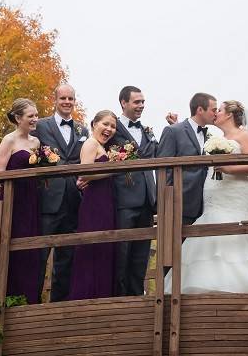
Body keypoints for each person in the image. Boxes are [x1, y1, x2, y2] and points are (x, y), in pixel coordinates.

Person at [164, 101, 248, 293]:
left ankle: (239, 286)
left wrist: (229, 168)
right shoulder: (216, 137)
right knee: (210, 225)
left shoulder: (245, 136)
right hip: (214, 191)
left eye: (219, 110)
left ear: (230, 115)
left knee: (232, 229)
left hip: (236, 192)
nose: (216, 114)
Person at [33, 84, 89, 302]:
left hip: (74, 200)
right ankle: (32, 303)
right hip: (48, 199)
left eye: (71, 99)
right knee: (39, 254)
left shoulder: (82, 130)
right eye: (63, 98)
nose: (67, 102)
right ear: (55, 100)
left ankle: (59, 305)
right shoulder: (40, 126)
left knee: (67, 257)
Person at [107, 86, 157, 296]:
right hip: (124, 200)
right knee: (122, 252)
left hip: (147, 200)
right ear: (123, 103)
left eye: (143, 102)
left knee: (141, 254)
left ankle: (138, 299)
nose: (141, 106)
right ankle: (118, 302)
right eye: (137, 102)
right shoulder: (111, 128)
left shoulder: (147, 130)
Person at [0, 98, 42, 304]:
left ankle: (30, 298)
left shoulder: (36, 142)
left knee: (31, 248)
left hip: (31, 198)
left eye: (36, 115)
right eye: (31, 116)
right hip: (13, 198)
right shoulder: (9, 140)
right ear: (17, 118)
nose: (35, 119)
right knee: (9, 244)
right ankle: (8, 297)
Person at [68, 110, 118, 300]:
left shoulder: (101, 146)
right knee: (92, 249)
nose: (109, 129)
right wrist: (113, 170)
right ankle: (86, 297)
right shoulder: (90, 143)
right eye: (105, 124)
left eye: (113, 126)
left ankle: (103, 295)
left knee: (104, 249)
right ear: (94, 124)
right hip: (94, 204)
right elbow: (85, 173)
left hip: (105, 201)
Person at [157, 93, 217, 225]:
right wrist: (167, 202)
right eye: (213, 110)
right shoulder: (173, 131)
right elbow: (164, 169)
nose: (216, 114)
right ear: (200, 110)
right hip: (180, 204)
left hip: (206, 204)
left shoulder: (211, 137)